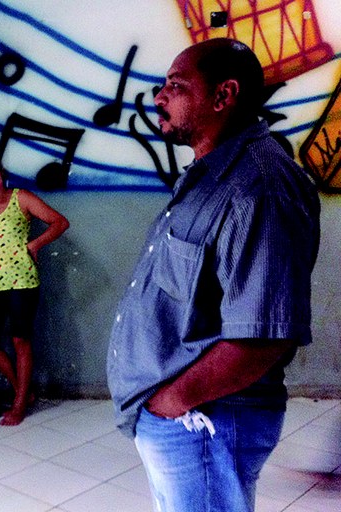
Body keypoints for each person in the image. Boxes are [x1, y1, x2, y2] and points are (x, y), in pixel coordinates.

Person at [106, 38, 320, 512]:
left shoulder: (259, 188)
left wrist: (172, 401)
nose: (159, 98)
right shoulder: (211, 175)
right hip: (186, 417)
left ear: (224, 95)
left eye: (176, 86)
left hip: (205, 419)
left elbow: (262, 336)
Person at [0, 154, 69, 426]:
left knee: (21, 342)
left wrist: (35, 245)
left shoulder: (21, 198)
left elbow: (60, 222)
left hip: (22, 282)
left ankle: (20, 402)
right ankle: (23, 389)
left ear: (0, 171)